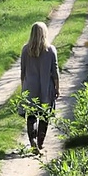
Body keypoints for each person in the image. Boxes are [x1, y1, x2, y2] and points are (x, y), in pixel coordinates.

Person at [20, 22, 60, 153]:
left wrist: (23, 88)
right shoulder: (50, 50)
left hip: (30, 87)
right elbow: (55, 72)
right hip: (45, 86)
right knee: (44, 115)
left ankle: (32, 142)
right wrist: (57, 88)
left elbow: (23, 71)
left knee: (31, 115)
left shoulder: (25, 50)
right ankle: (40, 143)